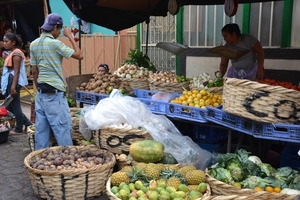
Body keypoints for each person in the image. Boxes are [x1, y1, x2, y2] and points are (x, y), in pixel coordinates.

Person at [30, 13, 83, 150]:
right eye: (59, 30)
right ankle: (68, 164)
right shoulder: (55, 44)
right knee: (62, 129)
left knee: (41, 132)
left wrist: (38, 89)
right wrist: (70, 36)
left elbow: (34, 71)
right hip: (54, 94)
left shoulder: (34, 45)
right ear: (55, 27)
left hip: (41, 94)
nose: (59, 32)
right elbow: (79, 55)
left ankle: (39, 164)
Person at [1, 33, 33, 134]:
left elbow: (17, 71)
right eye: (4, 41)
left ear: (13, 42)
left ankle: (18, 128)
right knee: (9, 106)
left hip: (13, 82)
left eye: (7, 42)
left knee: (15, 106)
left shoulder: (16, 54)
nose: (4, 44)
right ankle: (27, 123)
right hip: (10, 81)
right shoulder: (12, 53)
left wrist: (13, 87)